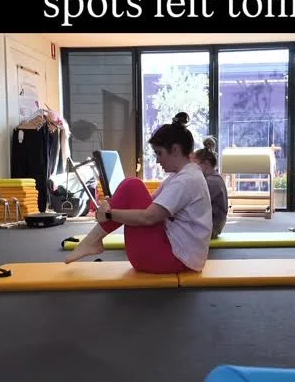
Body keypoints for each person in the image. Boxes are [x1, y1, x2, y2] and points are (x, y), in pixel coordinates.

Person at [65, 112, 212, 273]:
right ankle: (93, 240)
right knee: (132, 186)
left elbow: (148, 217)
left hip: (174, 260)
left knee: (133, 185)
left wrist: (109, 214)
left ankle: (92, 240)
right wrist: (114, 205)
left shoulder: (186, 180)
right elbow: (147, 203)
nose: (157, 160)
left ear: (175, 150)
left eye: (159, 153)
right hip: (175, 256)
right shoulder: (182, 175)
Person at [192, 137, 229, 238]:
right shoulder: (212, 179)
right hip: (210, 225)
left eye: (195, 165)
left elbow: (190, 201)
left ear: (206, 163)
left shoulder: (212, 182)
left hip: (212, 228)